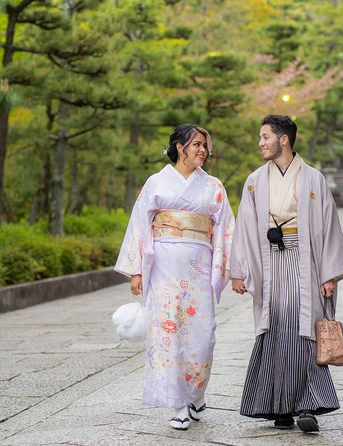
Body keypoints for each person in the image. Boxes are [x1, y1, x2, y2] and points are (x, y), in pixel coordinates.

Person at [230, 114, 343, 433]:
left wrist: (329, 273)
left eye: (265, 137)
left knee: (304, 328)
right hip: (269, 260)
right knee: (274, 325)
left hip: (306, 260)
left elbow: (328, 226)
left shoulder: (314, 178)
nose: (260, 143)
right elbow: (244, 228)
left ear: (283, 139)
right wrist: (239, 271)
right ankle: (278, 406)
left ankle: (306, 405)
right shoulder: (255, 181)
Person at [114, 124, 235, 431]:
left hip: (199, 269)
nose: (203, 151)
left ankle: (196, 394)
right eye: (197, 144)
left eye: (205, 146)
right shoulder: (156, 182)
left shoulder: (214, 186)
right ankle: (178, 404)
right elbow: (139, 224)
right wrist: (136, 270)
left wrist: (233, 270)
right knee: (168, 335)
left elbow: (226, 229)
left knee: (202, 336)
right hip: (163, 271)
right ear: (180, 147)